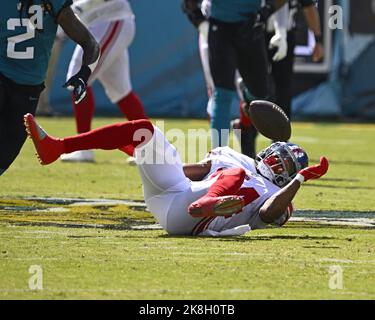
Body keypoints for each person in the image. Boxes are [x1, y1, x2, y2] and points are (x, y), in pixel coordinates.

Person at [24, 112, 329, 236]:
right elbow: (188, 171)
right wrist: (142, 153)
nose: (277, 162)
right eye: (279, 156)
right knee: (142, 130)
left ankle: (207, 204)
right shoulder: (232, 156)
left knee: (234, 174)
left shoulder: (278, 197)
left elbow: (267, 213)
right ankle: (58, 147)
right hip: (175, 194)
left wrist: (300, 180)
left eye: (286, 166)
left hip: (194, 219)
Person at [0, 0, 100, 177]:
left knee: (5, 157)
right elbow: (91, 44)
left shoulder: (53, 3)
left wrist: (84, 75)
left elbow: (90, 43)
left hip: (28, 90)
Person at [182, 0, 289, 158]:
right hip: (219, 29)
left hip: (250, 27)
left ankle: (245, 110)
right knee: (222, 94)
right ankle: (218, 157)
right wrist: (198, 20)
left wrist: (266, 11)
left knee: (260, 93)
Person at [60, 0, 148, 163]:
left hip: (110, 19)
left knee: (78, 78)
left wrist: (81, 6)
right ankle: (149, 149)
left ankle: (83, 147)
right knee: (120, 91)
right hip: (100, 23)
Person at [265, 0, 324, 119]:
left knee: (283, 86)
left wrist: (317, 40)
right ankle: (246, 130)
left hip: (283, 34)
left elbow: (308, 6)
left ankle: (280, 134)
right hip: (254, 32)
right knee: (252, 84)